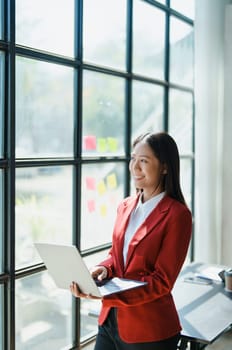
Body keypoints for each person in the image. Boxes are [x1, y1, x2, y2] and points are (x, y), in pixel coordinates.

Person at [70, 132, 192, 350]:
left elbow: (162, 281)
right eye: (133, 158)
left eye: (144, 161)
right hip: (109, 323)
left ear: (165, 167)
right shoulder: (126, 206)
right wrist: (103, 269)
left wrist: (108, 295)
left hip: (149, 332)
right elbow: (117, 256)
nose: (135, 167)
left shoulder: (177, 215)